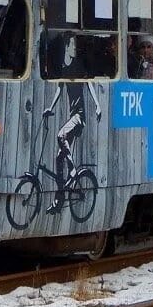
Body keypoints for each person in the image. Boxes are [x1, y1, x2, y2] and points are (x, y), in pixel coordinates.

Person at [45, 33, 101, 213]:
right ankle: (59, 200)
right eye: (72, 45)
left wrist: (98, 106)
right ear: (66, 48)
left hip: (79, 116)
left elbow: (89, 84)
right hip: (72, 116)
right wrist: (50, 108)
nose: (75, 48)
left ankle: (73, 170)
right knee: (58, 158)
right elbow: (59, 90)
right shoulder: (63, 67)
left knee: (60, 134)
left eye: (76, 46)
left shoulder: (78, 66)